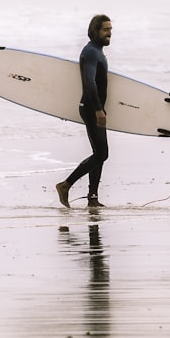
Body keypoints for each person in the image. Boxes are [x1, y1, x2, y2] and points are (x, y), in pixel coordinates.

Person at [56, 14, 111, 208]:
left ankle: (93, 198)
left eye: (110, 30)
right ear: (95, 31)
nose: (109, 33)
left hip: (96, 108)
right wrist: (98, 110)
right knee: (102, 154)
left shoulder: (97, 52)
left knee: (99, 153)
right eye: (105, 30)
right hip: (90, 108)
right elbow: (89, 82)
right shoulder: (90, 52)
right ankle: (65, 185)